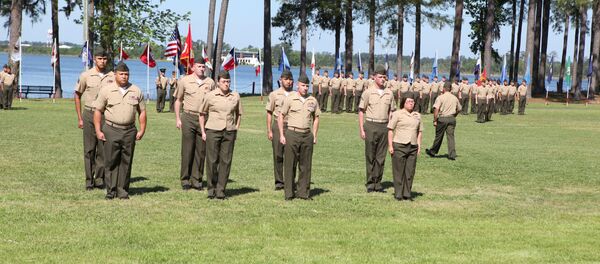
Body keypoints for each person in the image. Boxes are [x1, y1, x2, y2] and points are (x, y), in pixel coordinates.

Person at [93, 61, 147, 200]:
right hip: (111, 129)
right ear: (115, 74)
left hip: (129, 131)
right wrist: (98, 130)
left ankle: (122, 190)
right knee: (110, 161)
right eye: (121, 74)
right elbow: (98, 111)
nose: (124, 76)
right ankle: (110, 190)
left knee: (126, 161)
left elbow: (142, 112)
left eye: (126, 74)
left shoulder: (136, 90)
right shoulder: (106, 90)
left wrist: (142, 129)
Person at [74, 47, 114, 190]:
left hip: (105, 115)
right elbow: (77, 95)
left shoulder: (112, 76)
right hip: (90, 114)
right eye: (99, 58)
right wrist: (80, 118)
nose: (102, 61)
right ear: (94, 59)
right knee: (89, 149)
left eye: (104, 59)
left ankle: (100, 179)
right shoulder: (86, 75)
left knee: (103, 149)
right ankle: (89, 180)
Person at [200, 71, 242, 200]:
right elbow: (202, 113)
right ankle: (211, 189)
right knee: (212, 161)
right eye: (224, 81)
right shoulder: (210, 96)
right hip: (213, 130)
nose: (226, 84)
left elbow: (239, 113)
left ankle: (221, 190)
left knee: (226, 161)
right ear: (218, 82)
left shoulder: (235, 96)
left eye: (228, 82)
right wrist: (203, 131)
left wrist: (236, 128)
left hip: (229, 131)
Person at [175, 57, 216, 191]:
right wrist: (178, 118)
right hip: (188, 116)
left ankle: (197, 179)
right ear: (193, 67)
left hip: (204, 118)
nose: (201, 69)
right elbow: (178, 100)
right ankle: (185, 179)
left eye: (203, 67)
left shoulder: (210, 82)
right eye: (199, 66)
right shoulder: (184, 81)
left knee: (201, 150)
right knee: (187, 149)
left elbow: (214, 100)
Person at [278, 74, 320, 200]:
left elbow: (316, 118)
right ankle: (289, 193)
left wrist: (314, 135)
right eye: (303, 85)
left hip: (307, 134)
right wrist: (281, 134)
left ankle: (303, 193)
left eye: (307, 86)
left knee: (305, 165)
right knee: (290, 164)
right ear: (298, 85)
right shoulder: (290, 99)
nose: (305, 88)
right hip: (292, 133)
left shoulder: (312, 100)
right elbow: (281, 116)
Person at [358, 65, 396, 193]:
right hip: (371, 125)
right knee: (370, 155)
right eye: (380, 77)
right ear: (374, 77)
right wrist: (362, 129)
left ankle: (378, 183)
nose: (382, 79)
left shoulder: (389, 93)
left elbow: (392, 111)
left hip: (384, 126)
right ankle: (370, 183)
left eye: (384, 77)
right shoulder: (368, 92)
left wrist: (390, 127)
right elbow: (361, 111)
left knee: (381, 157)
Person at [387, 96, 422, 201]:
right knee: (398, 171)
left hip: (413, 146)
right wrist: (390, 145)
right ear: (403, 103)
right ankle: (398, 193)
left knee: (410, 171)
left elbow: (419, 132)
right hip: (399, 145)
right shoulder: (397, 114)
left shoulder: (417, 116)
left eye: (412, 101)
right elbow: (390, 130)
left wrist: (419, 146)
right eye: (408, 101)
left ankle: (407, 193)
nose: (411, 103)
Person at [266, 70, 294, 190]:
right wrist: (269, 130)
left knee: (291, 155)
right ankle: (279, 182)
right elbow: (269, 112)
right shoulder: (274, 94)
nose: (288, 82)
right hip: (278, 126)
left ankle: (290, 181)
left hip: (292, 126)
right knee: (278, 155)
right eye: (286, 79)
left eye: (290, 79)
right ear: (280, 80)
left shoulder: (295, 95)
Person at [426, 81, 461, 161]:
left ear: (444, 89)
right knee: (451, 137)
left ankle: (433, 151)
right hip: (451, 118)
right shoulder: (454, 98)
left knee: (439, 136)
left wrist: (435, 120)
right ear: (451, 89)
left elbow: (436, 109)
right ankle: (452, 154)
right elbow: (459, 108)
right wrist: (455, 115)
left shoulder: (440, 97)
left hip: (442, 118)